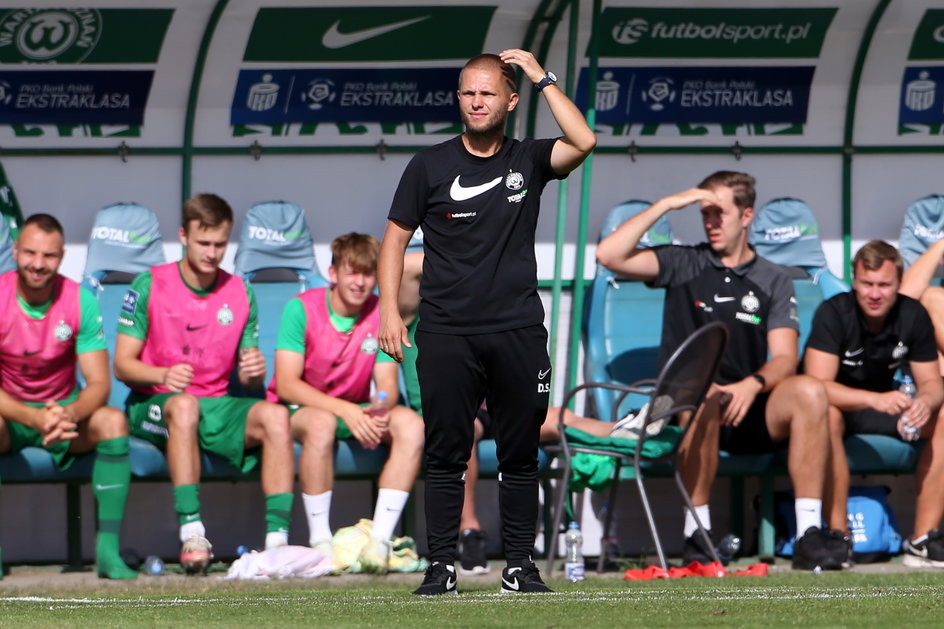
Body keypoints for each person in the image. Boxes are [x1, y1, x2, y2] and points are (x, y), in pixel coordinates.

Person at [378, 49, 596, 595]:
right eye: (468, 93)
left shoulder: (529, 159)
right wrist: (388, 310)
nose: (476, 102)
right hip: (447, 331)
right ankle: (441, 566)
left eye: (488, 93)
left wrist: (543, 77)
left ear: (510, 101)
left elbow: (585, 141)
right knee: (447, 450)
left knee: (520, 451)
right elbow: (394, 239)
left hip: (518, 330)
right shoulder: (428, 164)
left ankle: (519, 566)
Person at [595, 171, 842, 570]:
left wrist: (751, 384)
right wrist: (665, 206)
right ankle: (698, 534)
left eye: (719, 213)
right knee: (704, 392)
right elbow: (608, 256)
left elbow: (783, 357)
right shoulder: (684, 262)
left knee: (811, 391)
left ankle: (808, 535)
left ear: (746, 216)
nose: (710, 222)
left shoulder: (774, 279)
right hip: (688, 407)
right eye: (704, 213)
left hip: (748, 406)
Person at [397, 249, 620, 575]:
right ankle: (469, 531)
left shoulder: (491, 310)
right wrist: (459, 256)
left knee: (561, 418)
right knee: (464, 431)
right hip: (451, 408)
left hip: (494, 405)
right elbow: (403, 265)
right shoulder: (423, 310)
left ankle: (629, 430)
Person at [113, 193, 295, 561]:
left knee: (276, 415)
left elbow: (251, 384)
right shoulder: (149, 285)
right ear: (183, 236)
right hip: (155, 405)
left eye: (220, 244)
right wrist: (162, 373)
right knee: (183, 406)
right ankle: (193, 534)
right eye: (203, 243)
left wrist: (253, 374)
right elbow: (122, 366)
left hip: (216, 404)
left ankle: (278, 542)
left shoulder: (241, 291)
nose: (212, 253)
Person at [267, 232, 424, 573]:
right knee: (321, 423)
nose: (361, 282)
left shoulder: (382, 312)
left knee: (411, 424)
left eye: (368, 273)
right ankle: (321, 542)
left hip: (354, 411)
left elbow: (385, 385)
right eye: (352, 272)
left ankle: (379, 542)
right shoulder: (301, 308)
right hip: (303, 412)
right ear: (333, 273)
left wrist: (379, 406)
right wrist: (346, 410)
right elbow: (288, 384)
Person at [0, 214, 136, 579]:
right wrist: (33, 418)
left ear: (61, 257)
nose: (37, 264)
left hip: (63, 418)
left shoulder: (80, 301)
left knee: (112, 420)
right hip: (10, 419)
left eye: (48, 256)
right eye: (29, 253)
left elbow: (98, 384)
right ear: (15, 250)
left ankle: (108, 553)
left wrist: (69, 413)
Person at [805, 240, 944, 567]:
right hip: (840, 406)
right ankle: (839, 538)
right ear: (854, 281)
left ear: (899, 284)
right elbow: (817, 387)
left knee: (943, 414)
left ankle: (922, 540)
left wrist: (925, 400)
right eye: (867, 284)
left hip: (887, 407)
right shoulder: (835, 312)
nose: (875, 293)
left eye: (884, 285)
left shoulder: (912, 315)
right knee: (827, 414)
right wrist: (874, 399)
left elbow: (933, 383)